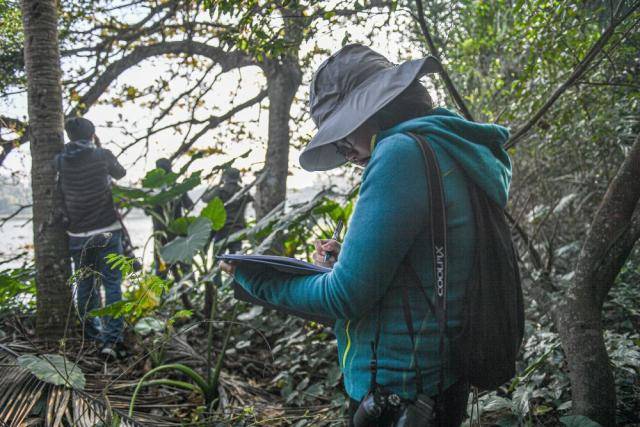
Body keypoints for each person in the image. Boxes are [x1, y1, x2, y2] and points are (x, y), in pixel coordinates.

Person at [220, 44, 512, 426]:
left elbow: (345, 296)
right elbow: (429, 256)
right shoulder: (446, 146)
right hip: (438, 378)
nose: (344, 150)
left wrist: (253, 278)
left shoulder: (399, 154)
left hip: (398, 391)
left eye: (342, 134)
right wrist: (349, 258)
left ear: (374, 108)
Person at [54, 117, 128, 359]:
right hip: (107, 230)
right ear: (93, 133)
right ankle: (111, 341)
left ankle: (92, 336)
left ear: (69, 136)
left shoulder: (60, 161)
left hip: (77, 235)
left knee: (85, 287)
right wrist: (98, 147)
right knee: (112, 284)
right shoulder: (102, 155)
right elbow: (121, 173)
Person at [149, 158, 194, 278]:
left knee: (161, 269)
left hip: (160, 234)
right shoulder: (177, 187)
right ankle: (191, 292)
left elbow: (146, 212)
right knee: (185, 267)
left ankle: (163, 295)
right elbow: (190, 206)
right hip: (178, 232)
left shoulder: (152, 189)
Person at [203, 167, 251, 253]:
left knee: (218, 258)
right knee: (235, 259)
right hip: (237, 228)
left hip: (222, 228)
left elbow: (205, 199)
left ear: (225, 177)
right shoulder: (243, 192)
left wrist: (217, 185)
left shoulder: (220, 191)